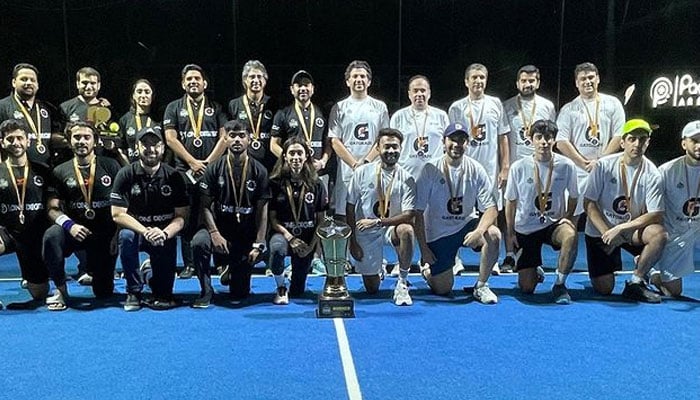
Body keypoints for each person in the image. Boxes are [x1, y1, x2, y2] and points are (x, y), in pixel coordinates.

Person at [415, 123, 501, 303]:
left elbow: (491, 209)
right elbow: (418, 213)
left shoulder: (476, 168)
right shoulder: (430, 169)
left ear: (467, 143)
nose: (457, 144)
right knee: (443, 289)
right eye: (453, 139)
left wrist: (479, 231)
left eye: (461, 140)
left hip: (465, 226)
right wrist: (424, 249)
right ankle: (426, 270)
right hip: (439, 233)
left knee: (493, 234)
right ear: (444, 142)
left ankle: (481, 286)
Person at [583, 119, 666, 303]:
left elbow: (656, 214)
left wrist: (622, 229)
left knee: (659, 234)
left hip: (630, 231)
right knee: (604, 289)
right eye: (632, 139)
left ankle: (636, 281)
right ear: (622, 142)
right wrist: (607, 233)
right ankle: (640, 262)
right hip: (601, 231)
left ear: (648, 143)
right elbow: (588, 203)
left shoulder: (652, 173)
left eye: (642, 139)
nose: (637, 144)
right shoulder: (604, 165)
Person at [43, 121, 121, 310]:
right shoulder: (60, 171)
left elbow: (123, 206)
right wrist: (70, 225)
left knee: (103, 293)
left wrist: (117, 235)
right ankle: (61, 290)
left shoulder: (111, 166)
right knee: (52, 236)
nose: (82, 141)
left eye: (87, 137)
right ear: (69, 142)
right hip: (75, 231)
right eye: (77, 137)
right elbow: (52, 208)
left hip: (104, 235)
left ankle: (96, 271)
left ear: (95, 141)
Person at [190, 120, 270, 307]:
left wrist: (259, 243)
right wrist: (214, 233)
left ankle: (230, 267)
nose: (237, 140)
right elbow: (205, 206)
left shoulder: (260, 171)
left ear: (249, 139)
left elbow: (262, 210)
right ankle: (206, 290)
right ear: (224, 138)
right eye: (232, 136)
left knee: (240, 294)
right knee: (199, 242)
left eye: (241, 136)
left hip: (244, 232)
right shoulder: (213, 168)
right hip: (219, 227)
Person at [111, 125, 189, 311]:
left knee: (163, 293)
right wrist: (145, 231)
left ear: (162, 148)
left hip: (163, 235)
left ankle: (148, 274)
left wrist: (164, 233)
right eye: (145, 144)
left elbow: (181, 217)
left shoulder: (174, 176)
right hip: (138, 232)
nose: (150, 149)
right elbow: (117, 214)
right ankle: (134, 291)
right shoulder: (126, 174)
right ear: (137, 148)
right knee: (126, 237)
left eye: (155, 144)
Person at [163, 64, 228, 279]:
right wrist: (192, 162)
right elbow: (171, 139)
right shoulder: (173, 107)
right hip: (184, 170)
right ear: (183, 84)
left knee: (215, 212)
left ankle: (220, 261)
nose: (193, 82)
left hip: (212, 170)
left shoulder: (216, 108)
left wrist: (208, 163)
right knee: (187, 216)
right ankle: (189, 264)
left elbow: (224, 137)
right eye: (189, 79)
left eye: (197, 79)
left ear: (204, 83)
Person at [504, 120, 578, 304]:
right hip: (526, 228)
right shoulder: (519, 167)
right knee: (527, 288)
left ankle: (560, 284)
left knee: (570, 235)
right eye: (539, 137)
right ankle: (533, 268)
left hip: (553, 225)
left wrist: (567, 218)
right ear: (531, 140)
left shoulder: (566, 166)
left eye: (548, 137)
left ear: (554, 140)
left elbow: (575, 196)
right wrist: (511, 233)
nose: (544, 142)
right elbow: (511, 202)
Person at [448, 63, 509, 275]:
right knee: (457, 215)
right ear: (466, 81)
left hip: (490, 170)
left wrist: (505, 166)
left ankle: (492, 259)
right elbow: (451, 140)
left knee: (492, 212)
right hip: (463, 171)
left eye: (482, 77)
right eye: (474, 77)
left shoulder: (495, 103)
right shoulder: (457, 107)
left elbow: (503, 136)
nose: (478, 81)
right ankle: (454, 258)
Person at [346, 128, 416, 305]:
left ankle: (402, 282)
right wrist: (352, 242)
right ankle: (379, 267)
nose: (391, 151)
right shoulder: (362, 172)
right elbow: (349, 207)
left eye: (395, 147)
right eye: (386, 147)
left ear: (401, 148)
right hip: (366, 230)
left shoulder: (407, 178)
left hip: (390, 227)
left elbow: (408, 214)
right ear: (377, 148)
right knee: (372, 289)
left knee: (407, 231)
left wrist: (378, 221)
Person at [270, 70, 330, 275]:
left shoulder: (321, 112)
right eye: (298, 85)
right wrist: (293, 159)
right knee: (290, 210)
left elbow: (327, 143)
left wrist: (323, 160)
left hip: (316, 172)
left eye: (306, 85)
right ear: (292, 90)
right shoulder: (283, 113)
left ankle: (317, 257)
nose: (303, 88)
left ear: (312, 89)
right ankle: (286, 258)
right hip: (292, 172)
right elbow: (273, 144)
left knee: (317, 214)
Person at [500, 65, 557, 272]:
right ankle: (509, 254)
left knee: (536, 210)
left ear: (538, 82)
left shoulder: (547, 106)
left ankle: (533, 258)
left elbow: (551, 135)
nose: (527, 84)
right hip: (516, 166)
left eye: (531, 81)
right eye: (524, 81)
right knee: (512, 209)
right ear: (517, 83)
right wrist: (504, 167)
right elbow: (504, 137)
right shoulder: (506, 106)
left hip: (541, 166)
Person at [556, 62, 626, 221]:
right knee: (570, 218)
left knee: (607, 216)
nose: (587, 82)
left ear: (598, 79)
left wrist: (600, 161)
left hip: (605, 168)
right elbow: (561, 141)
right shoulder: (569, 108)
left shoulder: (613, 103)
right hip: (578, 171)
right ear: (576, 83)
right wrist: (583, 163)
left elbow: (619, 135)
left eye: (590, 77)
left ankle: (606, 244)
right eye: (583, 79)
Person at [268, 137, 328, 304]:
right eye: (291, 153)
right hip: (283, 234)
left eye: (299, 153)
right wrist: (290, 238)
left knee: (298, 292)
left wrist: (312, 247)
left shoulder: (316, 184)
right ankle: (280, 286)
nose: (296, 157)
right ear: (285, 156)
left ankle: (294, 279)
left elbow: (321, 220)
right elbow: (272, 219)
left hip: (307, 239)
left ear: (306, 156)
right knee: (277, 249)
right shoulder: (275, 182)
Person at [0, 119, 52, 305]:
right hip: (7, 232)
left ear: (28, 141)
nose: (15, 143)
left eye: (20, 138)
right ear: (2, 143)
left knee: (40, 294)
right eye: (10, 139)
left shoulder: (44, 171)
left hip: (34, 235)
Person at [329, 60, 390, 219]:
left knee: (371, 216)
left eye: (363, 76)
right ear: (348, 81)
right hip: (347, 173)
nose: (359, 80)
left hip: (373, 169)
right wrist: (355, 164)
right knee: (346, 217)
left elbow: (383, 139)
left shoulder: (380, 107)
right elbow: (335, 141)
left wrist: (366, 162)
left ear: (369, 81)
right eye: (354, 76)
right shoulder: (339, 107)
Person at [650, 120, 700, 296]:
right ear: (684, 143)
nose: (699, 145)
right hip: (675, 232)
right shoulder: (666, 171)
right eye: (694, 140)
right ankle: (653, 272)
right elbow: (653, 210)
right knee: (673, 292)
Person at [389, 74, 449, 180]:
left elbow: (447, 146)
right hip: (405, 176)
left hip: (435, 176)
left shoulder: (441, 116)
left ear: (429, 93)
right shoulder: (399, 116)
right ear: (409, 94)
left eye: (423, 90)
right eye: (415, 90)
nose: (419, 94)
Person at [0, 63, 55, 166]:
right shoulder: (2, 107)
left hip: (45, 170)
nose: (29, 83)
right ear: (13, 82)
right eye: (24, 79)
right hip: (12, 171)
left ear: (37, 85)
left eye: (32, 80)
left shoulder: (47, 108)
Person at [229, 60, 278, 171]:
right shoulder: (234, 105)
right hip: (244, 164)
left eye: (259, 77)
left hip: (270, 164)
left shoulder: (274, 104)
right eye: (252, 77)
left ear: (265, 81)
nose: (256, 80)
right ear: (245, 80)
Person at [119, 79, 158, 165]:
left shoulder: (159, 119)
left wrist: (162, 167)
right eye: (139, 92)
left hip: (156, 169)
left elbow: (168, 149)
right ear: (133, 95)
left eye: (147, 92)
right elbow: (121, 148)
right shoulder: (125, 119)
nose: (143, 95)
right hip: (133, 169)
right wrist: (128, 169)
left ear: (152, 95)